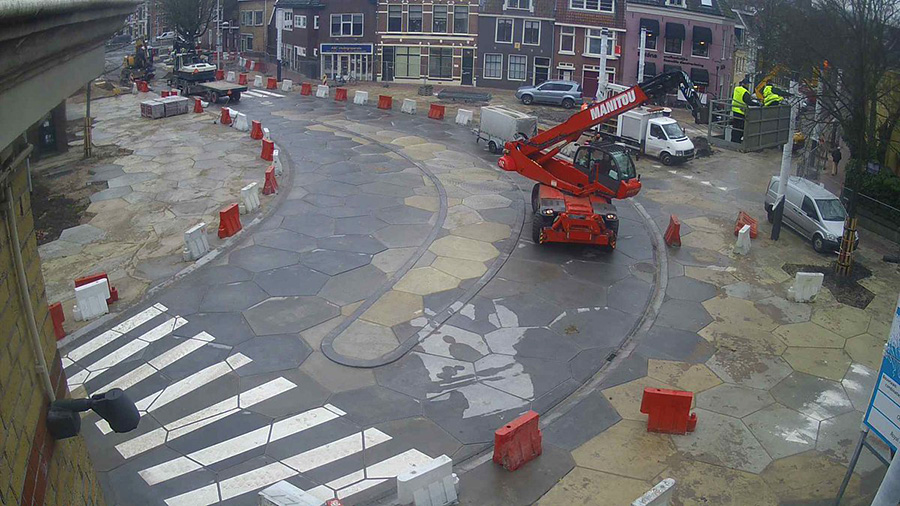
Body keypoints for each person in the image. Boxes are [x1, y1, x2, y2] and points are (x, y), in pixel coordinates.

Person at [732, 77, 760, 143]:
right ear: (745, 84)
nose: (748, 85)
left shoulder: (736, 88)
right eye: (748, 84)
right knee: (741, 128)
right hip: (741, 111)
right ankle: (737, 142)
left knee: (735, 127)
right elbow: (749, 102)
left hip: (734, 110)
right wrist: (758, 104)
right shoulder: (745, 92)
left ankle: (733, 141)